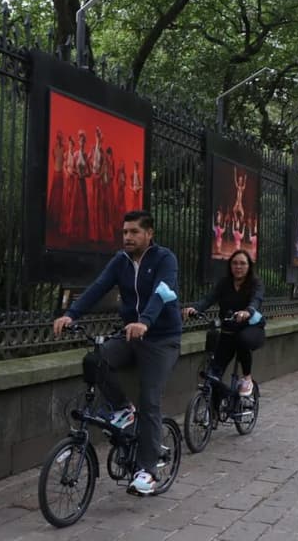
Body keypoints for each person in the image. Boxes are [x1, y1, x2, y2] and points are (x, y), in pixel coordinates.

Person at [52, 210, 182, 496]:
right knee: (95, 360)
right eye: (125, 232)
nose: (128, 237)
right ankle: (123, 408)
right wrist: (71, 314)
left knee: (150, 399)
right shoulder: (120, 261)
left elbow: (162, 292)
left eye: (134, 232)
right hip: (130, 335)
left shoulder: (165, 259)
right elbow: (99, 287)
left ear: (149, 234)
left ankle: (147, 471)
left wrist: (145, 321)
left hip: (161, 339)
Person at [183, 249, 265, 401]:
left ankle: (247, 377)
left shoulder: (255, 283)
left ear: (249, 266)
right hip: (228, 330)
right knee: (213, 374)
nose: (238, 267)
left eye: (242, 263)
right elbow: (209, 298)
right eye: (234, 263)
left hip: (251, 329)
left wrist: (248, 311)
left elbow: (256, 300)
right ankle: (213, 414)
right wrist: (196, 308)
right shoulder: (224, 283)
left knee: (243, 339)